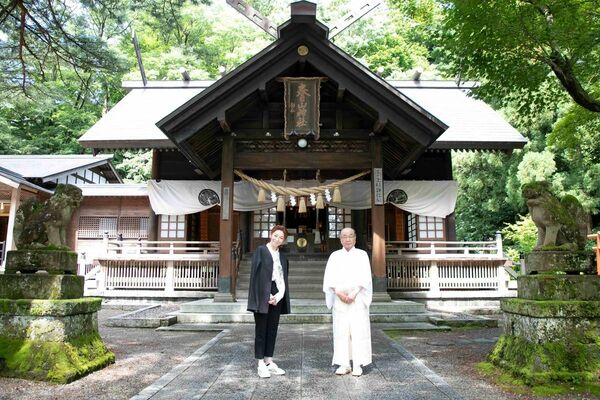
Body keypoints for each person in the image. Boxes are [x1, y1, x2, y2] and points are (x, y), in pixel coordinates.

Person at [322, 227, 372, 377]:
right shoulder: (335, 256)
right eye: (344, 236)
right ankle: (344, 363)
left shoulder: (362, 255)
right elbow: (329, 278)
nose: (348, 239)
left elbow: (366, 277)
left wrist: (354, 293)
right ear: (340, 239)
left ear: (355, 238)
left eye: (351, 236)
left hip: (357, 298)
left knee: (358, 331)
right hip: (340, 298)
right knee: (341, 332)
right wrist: (338, 292)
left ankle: (357, 364)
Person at [247, 225, 291, 378]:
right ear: (271, 234)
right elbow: (255, 275)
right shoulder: (261, 250)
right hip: (262, 293)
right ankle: (260, 363)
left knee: (272, 329)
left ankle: (268, 361)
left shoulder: (283, 256)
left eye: (281, 237)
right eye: (276, 235)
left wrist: (278, 295)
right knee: (261, 330)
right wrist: (264, 295)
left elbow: (284, 277)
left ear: (283, 241)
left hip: (277, 292)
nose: (277, 239)